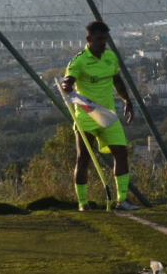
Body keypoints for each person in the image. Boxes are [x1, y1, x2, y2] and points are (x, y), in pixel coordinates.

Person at [61, 20, 139, 210]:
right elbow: (68, 80)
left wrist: (127, 101)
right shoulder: (79, 61)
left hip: (107, 115)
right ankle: (83, 202)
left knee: (121, 153)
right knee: (83, 158)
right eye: (99, 39)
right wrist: (67, 86)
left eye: (105, 39)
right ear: (89, 39)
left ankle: (122, 200)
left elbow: (117, 80)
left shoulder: (110, 57)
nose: (103, 42)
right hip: (86, 115)